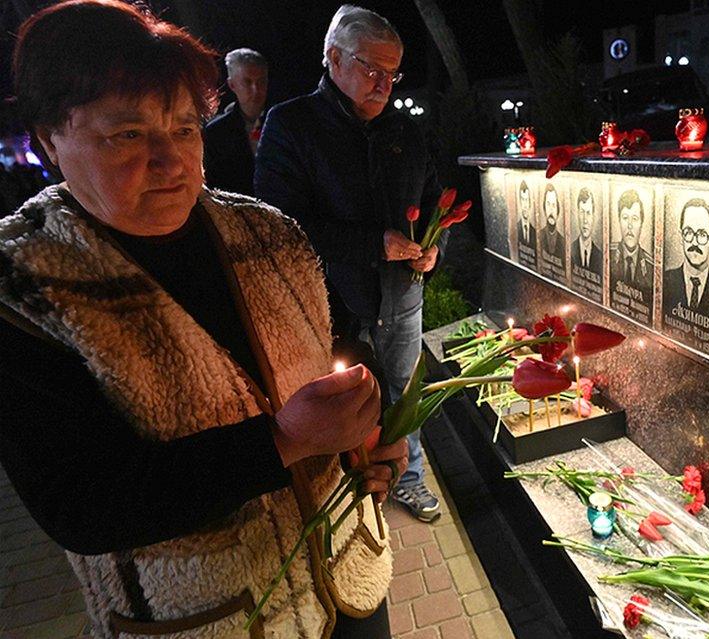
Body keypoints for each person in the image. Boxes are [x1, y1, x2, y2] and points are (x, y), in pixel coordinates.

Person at [1, 2, 406, 637]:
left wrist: (371, 422)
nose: (172, 162)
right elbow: (81, 502)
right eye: (128, 135)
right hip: (212, 616)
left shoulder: (267, 231)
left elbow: (339, 338)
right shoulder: (25, 288)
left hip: (347, 570)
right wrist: (286, 442)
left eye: (186, 129)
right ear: (51, 139)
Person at [255, 4, 444, 523]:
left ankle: (409, 480)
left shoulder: (406, 132)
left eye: (393, 72)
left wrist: (432, 248)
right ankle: (343, 494)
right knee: (342, 407)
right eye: (372, 69)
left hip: (402, 296)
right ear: (333, 58)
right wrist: (371, 245)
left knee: (404, 395)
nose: (384, 83)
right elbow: (281, 228)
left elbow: (435, 205)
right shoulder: (292, 125)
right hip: (334, 303)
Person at [203, 47, 268, 195]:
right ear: (232, 85)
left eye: (261, 81)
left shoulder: (283, 123)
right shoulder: (216, 132)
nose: (256, 89)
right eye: (247, 82)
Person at [663, 198, 709, 334]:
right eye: (689, 232)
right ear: (681, 237)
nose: (695, 243)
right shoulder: (664, 281)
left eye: (702, 234)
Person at [609, 189, 651, 300]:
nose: (630, 226)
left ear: (642, 222)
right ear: (619, 220)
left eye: (635, 219)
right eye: (625, 218)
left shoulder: (651, 266)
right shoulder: (607, 255)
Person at [570, 186, 602, 271]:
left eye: (588, 213)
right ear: (577, 214)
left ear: (593, 216)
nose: (585, 220)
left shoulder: (600, 256)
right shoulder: (570, 249)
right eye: (582, 212)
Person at [516, 179, 535, 248]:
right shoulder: (516, 228)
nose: (525, 205)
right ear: (519, 202)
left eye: (526, 200)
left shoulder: (535, 232)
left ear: (530, 203)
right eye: (522, 200)